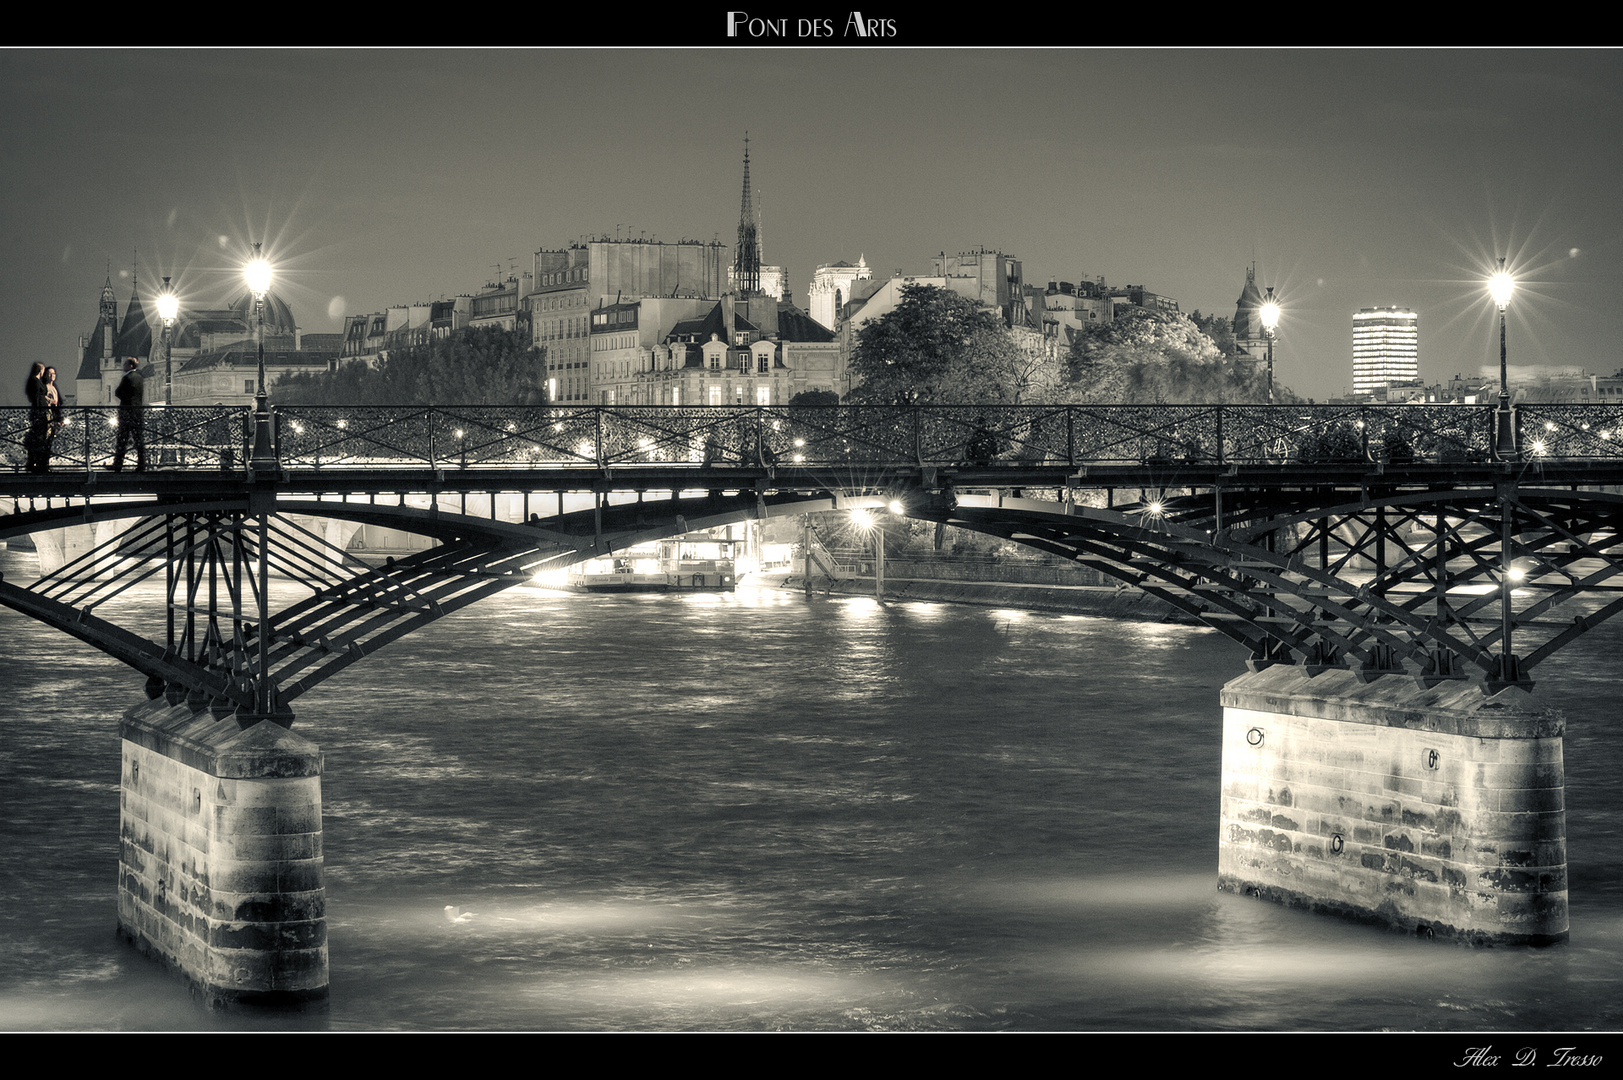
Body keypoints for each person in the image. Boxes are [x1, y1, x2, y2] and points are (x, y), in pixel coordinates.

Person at [111, 357, 146, 473]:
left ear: (131, 366)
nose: (123, 367)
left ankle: (118, 465)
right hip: (137, 412)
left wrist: (125, 399)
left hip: (126, 413)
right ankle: (141, 464)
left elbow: (117, 392)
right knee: (138, 440)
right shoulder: (140, 378)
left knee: (122, 439)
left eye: (125, 364)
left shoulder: (127, 378)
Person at [23, 362, 48, 473]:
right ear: (40, 370)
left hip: (41, 410)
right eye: (43, 370)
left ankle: (38, 461)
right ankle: (37, 462)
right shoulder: (34, 381)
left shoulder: (36, 381)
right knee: (39, 436)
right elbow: (36, 396)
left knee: (41, 435)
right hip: (39, 411)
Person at [42, 366, 64, 470]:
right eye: (50, 373)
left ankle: (46, 462)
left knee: (50, 440)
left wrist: (59, 417)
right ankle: (44, 463)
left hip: (53, 416)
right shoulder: (46, 387)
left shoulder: (54, 387)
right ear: (46, 375)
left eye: (53, 373)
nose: (52, 375)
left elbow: (58, 404)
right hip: (48, 416)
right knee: (47, 439)